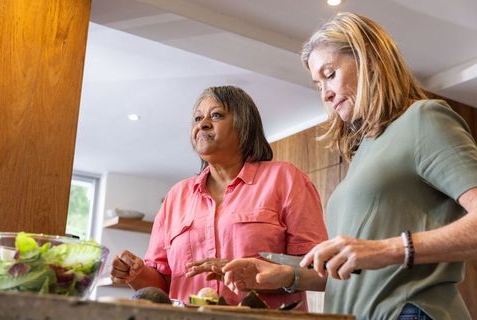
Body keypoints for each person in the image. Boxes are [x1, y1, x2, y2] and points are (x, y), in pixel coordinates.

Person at [222, 12, 477, 320]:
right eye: (318, 85)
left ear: (370, 60)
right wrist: (288, 276)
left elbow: (380, 256)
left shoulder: (424, 119)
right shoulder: (365, 151)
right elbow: (358, 272)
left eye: (330, 74)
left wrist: (386, 250)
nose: (326, 94)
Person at [110, 85, 327, 309]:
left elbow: (319, 272)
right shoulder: (176, 196)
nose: (202, 124)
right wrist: (136, 273)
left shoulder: (285, 178)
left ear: (244, 125)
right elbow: (163, 285)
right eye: (197, 118)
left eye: (216, 115)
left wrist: (260, 277)